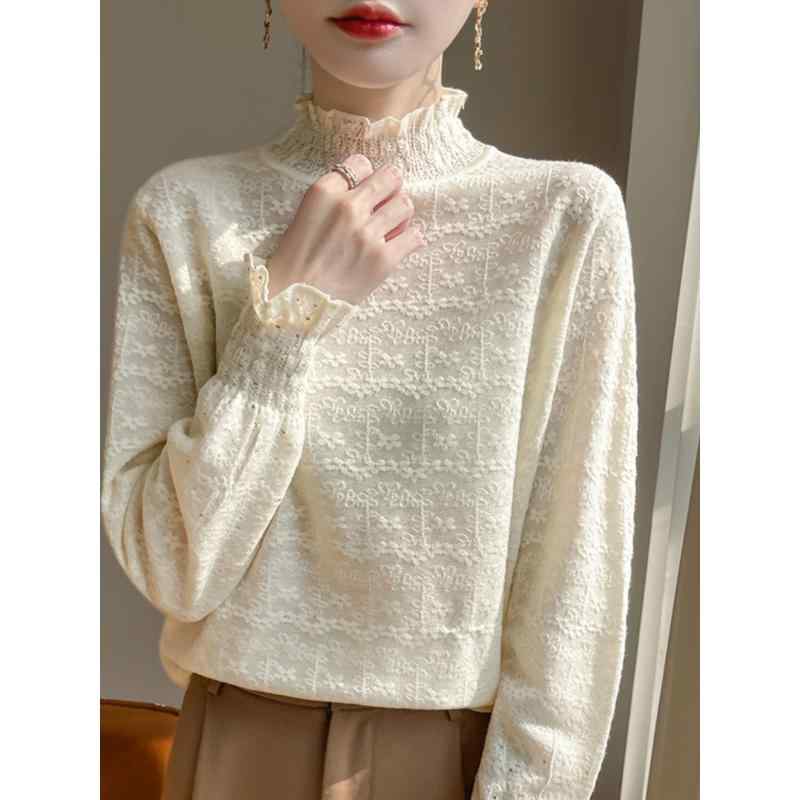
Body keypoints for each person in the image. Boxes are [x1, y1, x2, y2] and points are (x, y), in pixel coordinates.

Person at [100, 1, 639, 798]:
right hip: (232, 751)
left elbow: (573, 579)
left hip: (451, 762)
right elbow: (175, 570)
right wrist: (285, 321)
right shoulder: (184, 212)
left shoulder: (563, 218)